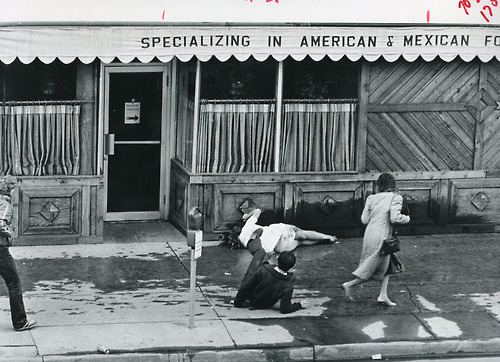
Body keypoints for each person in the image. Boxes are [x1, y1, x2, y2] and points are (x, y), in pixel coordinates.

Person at [342, 173, 410, 307]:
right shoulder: (395, 198)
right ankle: (349, 284)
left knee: (387, 265)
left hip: (370, 234)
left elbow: (364, 220)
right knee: (372, 267)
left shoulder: (371, 198)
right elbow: (395, 218)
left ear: (379, 185)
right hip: (383, 236)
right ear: (393, 184)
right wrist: (407, 218)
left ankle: (383, 295)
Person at [234, 205, 337, 286]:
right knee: (302, 234)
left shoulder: (245, 243)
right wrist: (247, 216)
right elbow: (257, 211)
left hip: (279, 247)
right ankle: (328, 237)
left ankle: (323, 240)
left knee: (300, 242)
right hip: (280, 232)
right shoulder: (247, 226)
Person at [0, 176, 37, 331]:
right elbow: (0, 224)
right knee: (13, 283)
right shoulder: (5, 205)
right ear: (11, 190)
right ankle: (20, 322)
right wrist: (9, 236)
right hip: (0, 251)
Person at [234, 251, 306, 314]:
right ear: (291, 267)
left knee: (258, 258)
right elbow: (285, 309)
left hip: (252, 298)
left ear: (277, 259)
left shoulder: (263, 270)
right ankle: (266, 258)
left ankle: (264, 256)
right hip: (266, 304)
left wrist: (237, 303)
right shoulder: (289, 285)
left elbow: (246, 287)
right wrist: (299, 305)